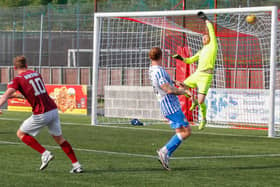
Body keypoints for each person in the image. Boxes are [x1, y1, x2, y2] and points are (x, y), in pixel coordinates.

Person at [0, 56, 83, 173]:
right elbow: (32, 92)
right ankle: (77, 165)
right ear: (26, 65)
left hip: (41, 113)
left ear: (14, 67)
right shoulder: (36, 74)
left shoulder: (17, 79)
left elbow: (4, 95)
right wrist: (16, 95)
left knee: (21, 134)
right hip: (53, 110)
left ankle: (45, 153)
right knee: (60, 139)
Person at [172, 11, 218, 130]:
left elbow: (211, 30)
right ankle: (192, 99)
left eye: (206, 36)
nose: (205, 37)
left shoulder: (213, 45)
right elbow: (189, 61)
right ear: (202, 41)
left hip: (206, 76)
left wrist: (206, 19)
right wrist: (180, 58)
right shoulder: (201, 51)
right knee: (181, 87)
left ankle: (203, 119)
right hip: (197, 74)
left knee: (201, 100)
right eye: (203, 37)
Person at [149, 47, 192, 171]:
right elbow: (168, 90)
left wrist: (174, 82)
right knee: (187, 131)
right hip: (170, 105)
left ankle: (166, 154)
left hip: (166, 104)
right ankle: (164, 151)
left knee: (180, 132)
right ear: (161, 56)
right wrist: (183, 92)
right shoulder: (159, 72)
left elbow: (164, 83)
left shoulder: (152, 69)